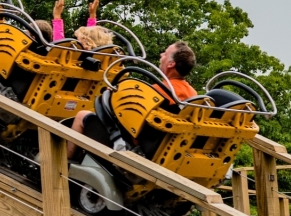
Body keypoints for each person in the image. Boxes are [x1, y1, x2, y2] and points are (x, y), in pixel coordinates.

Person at [64, 40, 198, 159]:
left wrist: (112, 93)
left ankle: (63, 162)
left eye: (165, 53)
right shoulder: (192, 94)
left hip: (133, 147)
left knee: (82, 116)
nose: (161, 55)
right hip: (162, 150)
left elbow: (124, 113)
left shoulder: (158, 92)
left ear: (171, 64)